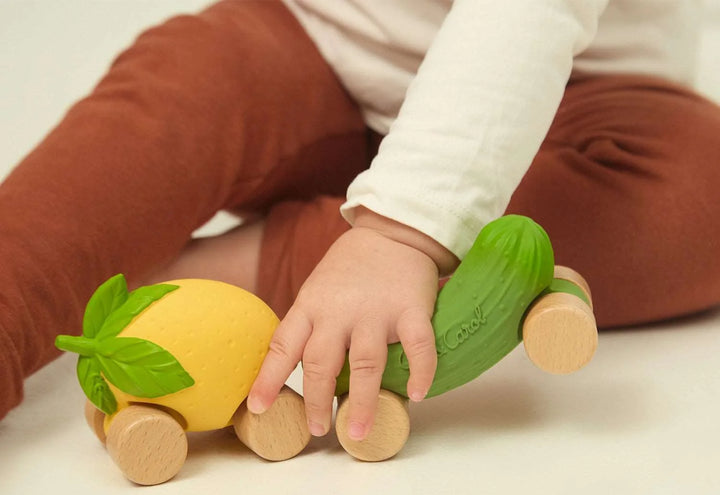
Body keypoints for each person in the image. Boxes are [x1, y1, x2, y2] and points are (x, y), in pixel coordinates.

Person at [1, 0, 718, 438]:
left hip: (577, 98)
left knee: (700, 194)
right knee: (181, 90)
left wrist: (400, 229)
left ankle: (213, 272)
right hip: (326, 44)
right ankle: (29, 285)